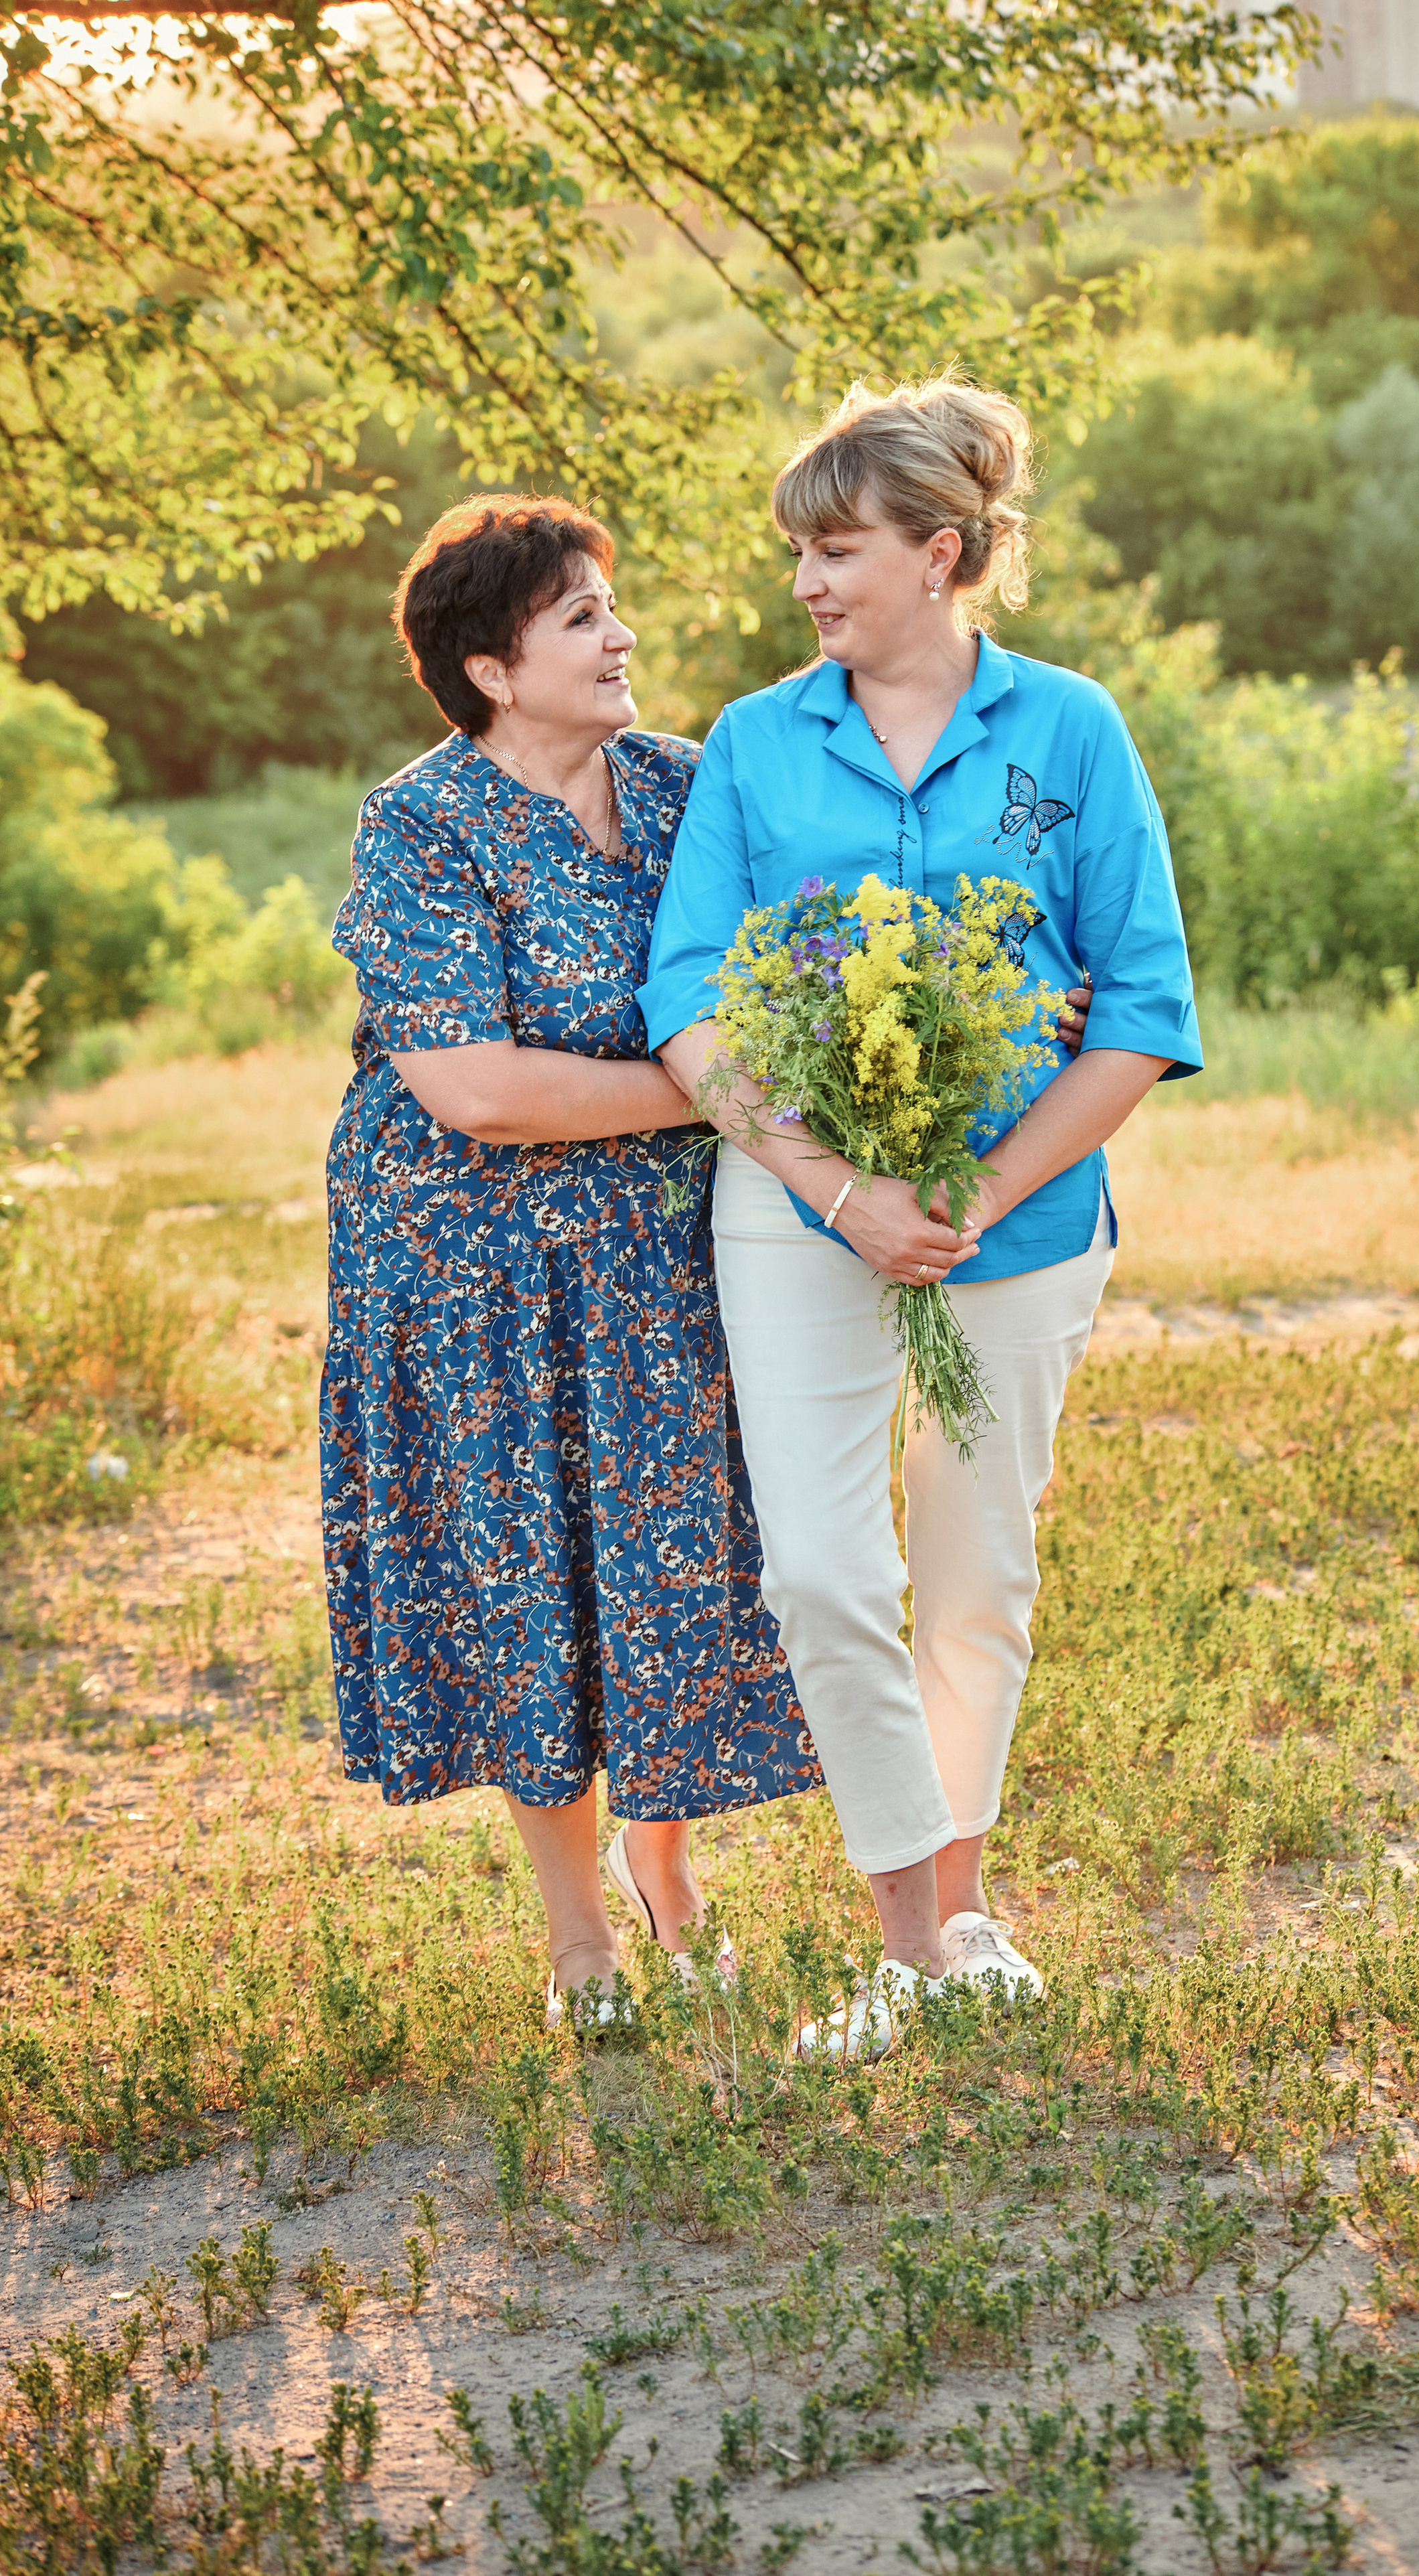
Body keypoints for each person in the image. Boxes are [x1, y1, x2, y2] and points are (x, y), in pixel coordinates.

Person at [641, 376, 1200, 2061]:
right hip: (795, 1216)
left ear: (937, 551)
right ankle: (907, 1940)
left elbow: (1142, 1011)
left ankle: (962, 1910)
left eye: (835, 548)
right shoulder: (750, 740)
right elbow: (686, 994)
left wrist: (972, 1190)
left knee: (974, 1578)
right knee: (820, 1570)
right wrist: (831, 1183)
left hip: (1016, 1230)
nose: (804, 583)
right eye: (797, 553)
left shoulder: (1071, 730)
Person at [321, 493, 818, 2032]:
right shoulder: (422, 825)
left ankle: (670, 1881)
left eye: (612, 609)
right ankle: (577, 1941)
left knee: (665, 1559)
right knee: (529, 1573)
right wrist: (715, 1090)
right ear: (490, 667)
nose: (622, 640)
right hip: (468, 1267)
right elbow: (474, 1087)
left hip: (657, 1258)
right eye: (582, 619)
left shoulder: (683, 785)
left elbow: (783, 967)